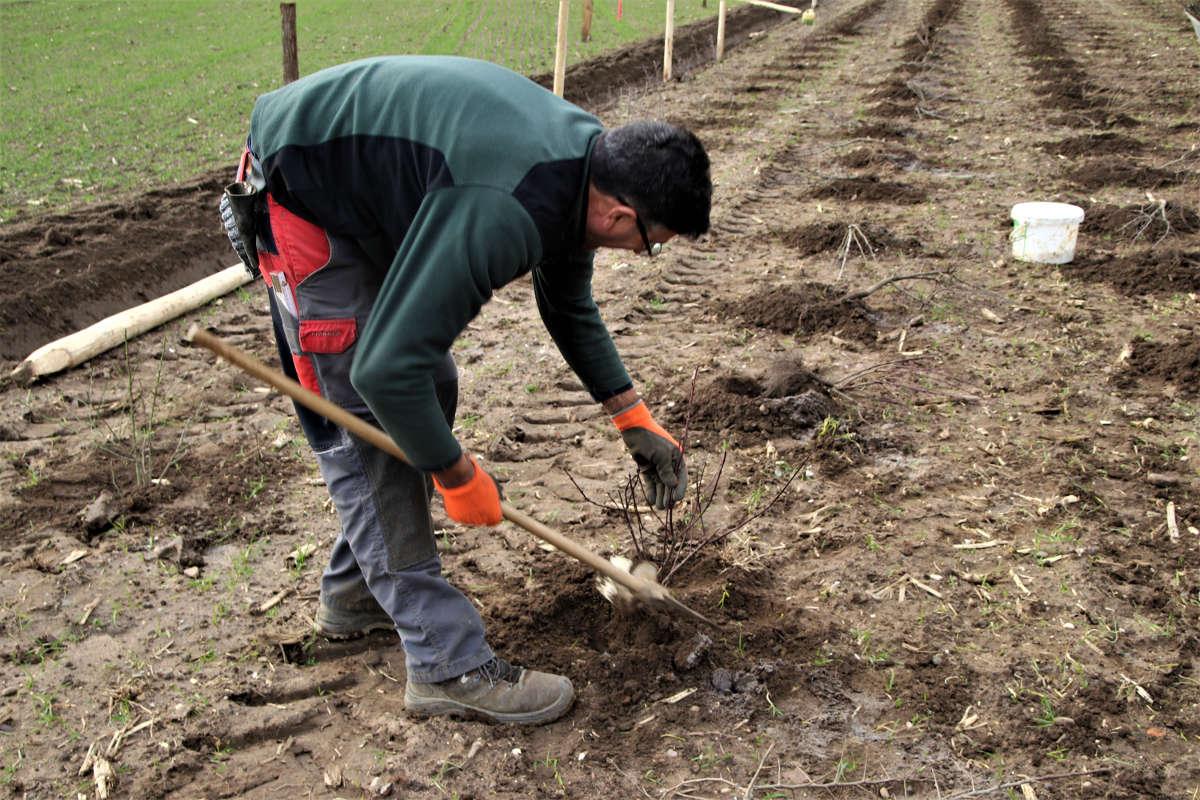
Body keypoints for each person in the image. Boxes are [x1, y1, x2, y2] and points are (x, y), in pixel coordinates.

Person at [223, 55, 711, 725]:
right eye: (651, 243)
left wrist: (633, 417)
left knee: (431, 385)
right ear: (621, 214)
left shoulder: (587, 169)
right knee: (371, 422)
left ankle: (358, 594)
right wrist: (454, 473)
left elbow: (566, 302)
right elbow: (383, 372)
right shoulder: (507, 205)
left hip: (356, 184)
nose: (640, 253)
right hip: (300, 191)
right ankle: (444, 664)